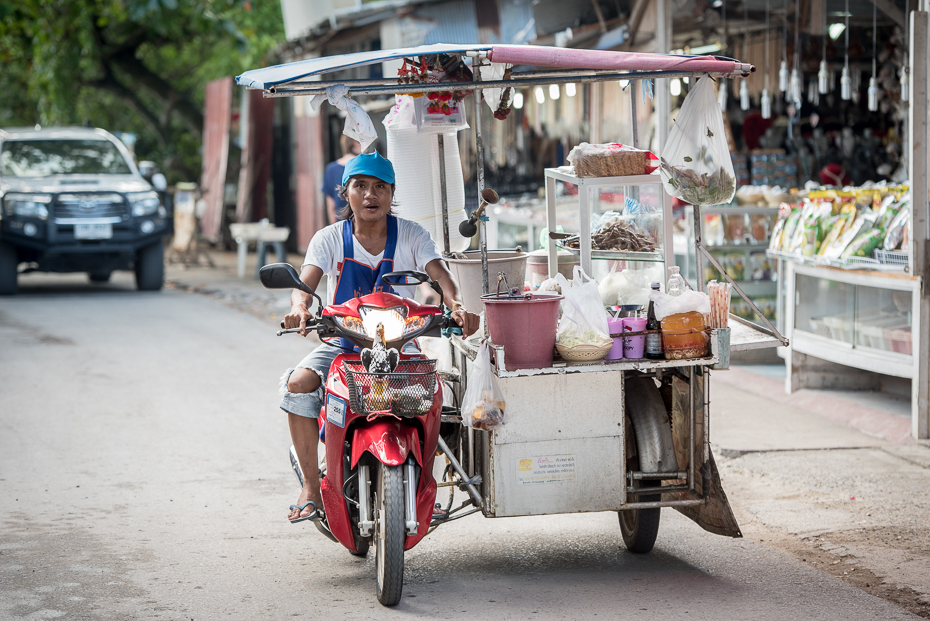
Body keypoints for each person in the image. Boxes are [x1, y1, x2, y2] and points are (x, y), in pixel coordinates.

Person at [280, 150, 480, 523]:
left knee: (436, 398)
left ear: (391, 194)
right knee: (298, 384)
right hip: (344, 343)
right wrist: (300, 307)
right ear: (346, 193)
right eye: (361, 186)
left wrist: (457, 305)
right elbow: (303, 283)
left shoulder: (412, 235)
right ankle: (311, 486)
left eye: (379, 187)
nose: (370, 195)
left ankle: (425, 487)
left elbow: (441, 276)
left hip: (401, 344)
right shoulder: (329, 239)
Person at [322, 135, 361, 225]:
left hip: (341, 225)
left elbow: (331, 206)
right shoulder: (364, 167)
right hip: (363, 225)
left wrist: (334, 228)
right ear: (356, 144)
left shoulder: (331, 169)